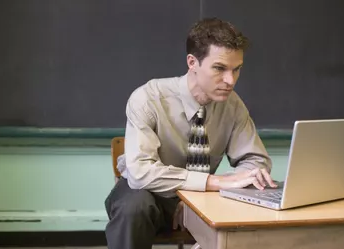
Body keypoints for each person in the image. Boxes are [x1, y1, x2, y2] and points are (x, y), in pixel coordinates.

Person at [104, 17, 277, 249]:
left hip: (205, 197)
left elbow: (256, 162)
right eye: (219, 68)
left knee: (257, 194)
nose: (230, 80)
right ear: (192, 62)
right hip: (150, 194)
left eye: (236, 70)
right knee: (134, 208)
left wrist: (202, 198)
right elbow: (140, 172)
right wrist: (211, 183)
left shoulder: (233, 106)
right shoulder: (148, 98)